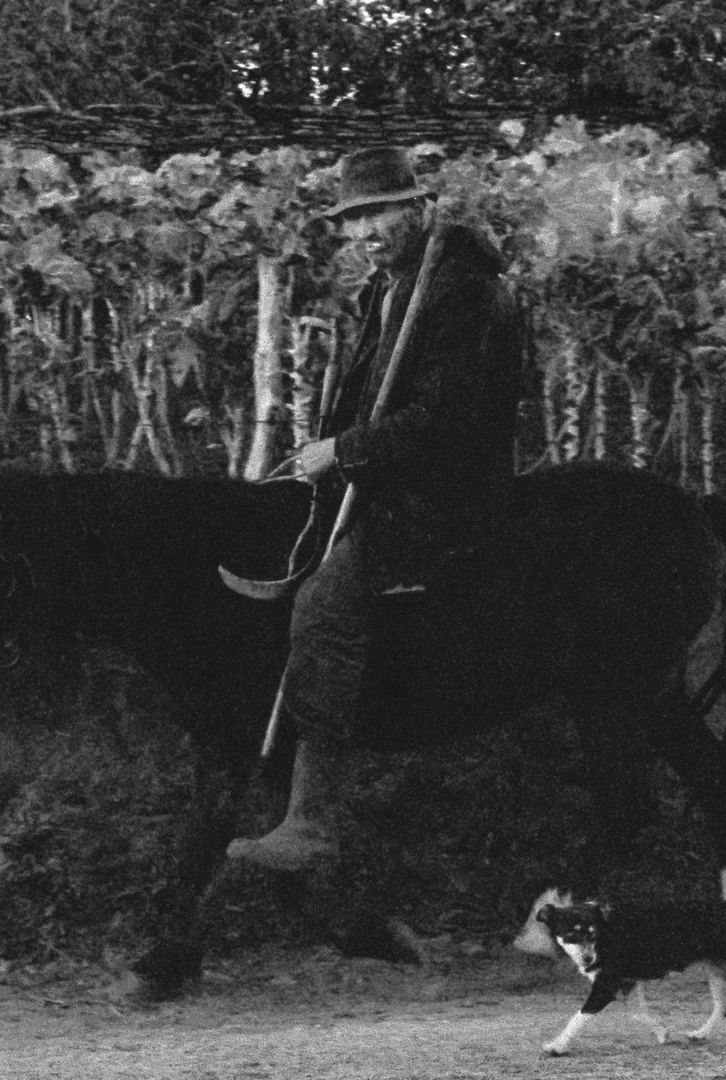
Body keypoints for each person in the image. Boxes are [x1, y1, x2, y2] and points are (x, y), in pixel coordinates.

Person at [226, 146, 530, 873]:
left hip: (445, 493)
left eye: (380, 212)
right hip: (384, 477)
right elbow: (366, 398)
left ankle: (313, 822)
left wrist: (348, 451)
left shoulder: (463, 292)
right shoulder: (387, 289)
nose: (366, 229)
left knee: (326, 603)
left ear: (419, 208)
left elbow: (444, 420)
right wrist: (327, 451)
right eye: (354, 217)